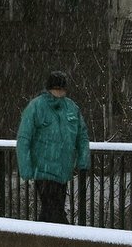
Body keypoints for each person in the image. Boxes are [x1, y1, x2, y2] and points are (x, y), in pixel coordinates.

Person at [15, 70, 90, 224]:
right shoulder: (36, 107)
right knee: (54, 212)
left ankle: (40, 242)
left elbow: (82, 136)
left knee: (50, 214)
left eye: (61, 89)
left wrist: (83, 161)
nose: (59, 93)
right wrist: (26, 168)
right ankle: (69, 242)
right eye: (56, 89)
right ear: (48, 89)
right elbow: (24, 138)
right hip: (43, 170)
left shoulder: (71, 108)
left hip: (63, 171)